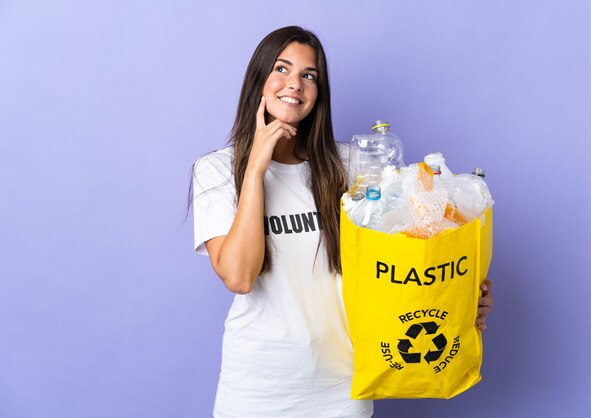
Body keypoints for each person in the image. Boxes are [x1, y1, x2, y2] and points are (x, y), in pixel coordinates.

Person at [192, 26, 493, 418]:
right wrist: (255, 171)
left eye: (309, 75)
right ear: (259, 80)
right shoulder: (215, 170)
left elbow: (409, 251)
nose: (295, 85)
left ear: (319, 92)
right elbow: (239, 277)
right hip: (257, 388)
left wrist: (459, 296)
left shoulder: (353, 166)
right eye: (282, 69)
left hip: (342, 389)